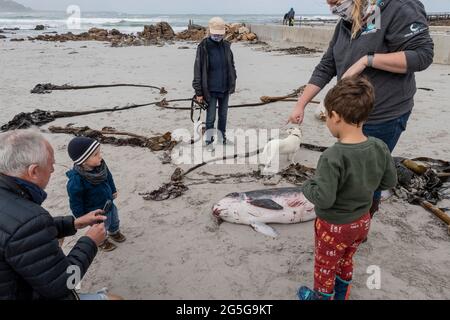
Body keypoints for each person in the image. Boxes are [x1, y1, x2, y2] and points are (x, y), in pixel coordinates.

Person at [287, 0, 433, 217]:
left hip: (385, 113)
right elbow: (327, 64)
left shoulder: (399, 7)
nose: (332, 8)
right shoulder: (348, 21)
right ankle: (351, 215)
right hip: (349, 113)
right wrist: (301, 104)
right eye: (328, 4)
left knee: (367, 176)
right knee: (351, 169)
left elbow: (422, 55)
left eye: (335, 2)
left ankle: (360, 220)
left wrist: (367, 61)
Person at [296, 77, 397, 300]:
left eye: (327, 117)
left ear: (336, 117)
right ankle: (342, 294)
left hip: (334, 226)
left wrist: (307, 186)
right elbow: (389, 182)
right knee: (346, 259)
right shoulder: (379, 146)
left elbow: (324, 199)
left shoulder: (333, 156)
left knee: (325, 267)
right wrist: (366, 183)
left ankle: (321, 297)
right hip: (362, 221)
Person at [0, 129, 121, 300]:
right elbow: (64, 285)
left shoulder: (14, 205)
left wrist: (73, 223)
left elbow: (17, 230)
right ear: (33, 171)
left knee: (56, 239)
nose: (53, 170)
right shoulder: (30, 219)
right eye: (50, 165)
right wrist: (90, 242)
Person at [66, 136, 126, 252]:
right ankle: (102, 241)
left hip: (109, 203)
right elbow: (75, 201)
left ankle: (114, 232)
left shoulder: (101, 166)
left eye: (99, 152)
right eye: (95, 154)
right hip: (95, 211)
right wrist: (82, 217)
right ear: (83, 161)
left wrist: (113, 190)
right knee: (100, 227)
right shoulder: (76, 180)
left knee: (114, 219)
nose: (100, 156)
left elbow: (109, 177)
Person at [193, 16, 237, 151]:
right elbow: (198, 70)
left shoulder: (226, 46)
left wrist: (233, 79)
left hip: (225, 89)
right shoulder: (203, 47)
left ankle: (222, 138)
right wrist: (198, 92)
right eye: (215, 34)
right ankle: (208, 141)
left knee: (223, 116)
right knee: (211, 117)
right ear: (210, 32)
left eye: (220, 34)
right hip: (210, 90)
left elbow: (231, 64)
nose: (218, 36)